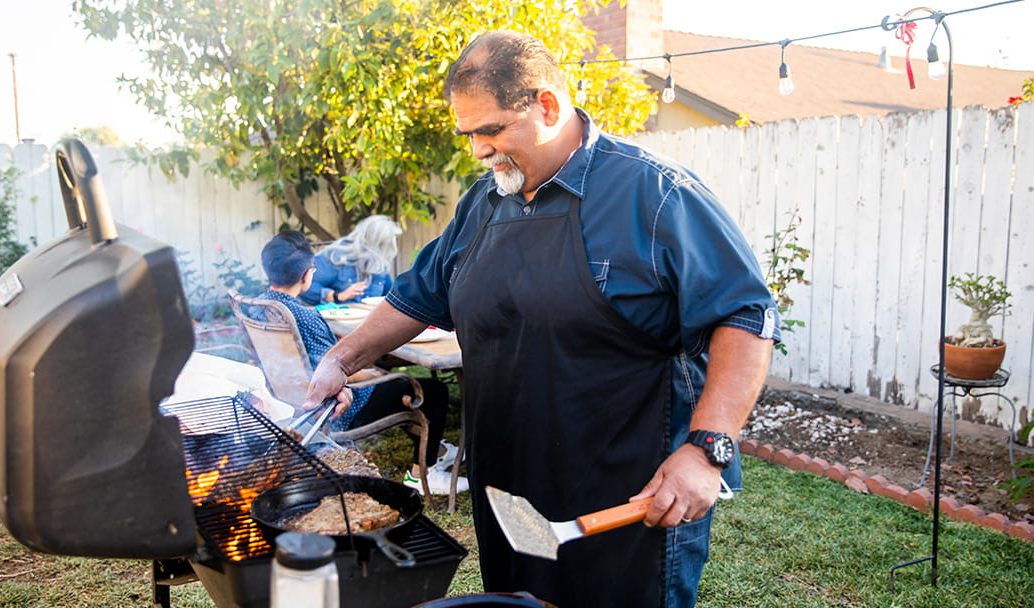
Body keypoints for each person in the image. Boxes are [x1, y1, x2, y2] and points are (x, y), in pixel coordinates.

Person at [301, 31, 778, 608]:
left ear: (547, 105)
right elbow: (418, 296)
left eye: (491, 129)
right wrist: (341, 359)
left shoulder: (653, 195)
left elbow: (746, 315)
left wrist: (706, 451)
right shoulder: (483, 203)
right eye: (469, 134)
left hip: (625, 501)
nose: (478, 150)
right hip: (509, 495)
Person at [253, 230, 467, 495]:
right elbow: (336, 372)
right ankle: (423, 475)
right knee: (434, 391)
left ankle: (439, 448)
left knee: (400, 383)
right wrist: (374, 373)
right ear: (307, 275)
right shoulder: (304, 317)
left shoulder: (259, 305)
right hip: (339, 406)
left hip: (291, 398)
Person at [299, 215, 403, 306]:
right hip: (336, 320)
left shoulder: (379, 263)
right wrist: (337, 296)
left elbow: (390, 296)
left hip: (369, 319)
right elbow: (303, 286)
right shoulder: (335, 256)